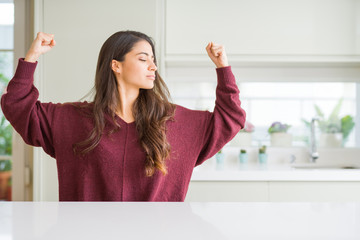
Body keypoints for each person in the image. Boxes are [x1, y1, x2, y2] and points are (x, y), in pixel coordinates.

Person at [1, 31, 246, 201]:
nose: (153, 66)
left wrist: (223, 68)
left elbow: (231, 117)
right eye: (143, 59)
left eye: (153, 60)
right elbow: (17, 106)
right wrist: (31, 58)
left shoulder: (176, 122)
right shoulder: (71, 119)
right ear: (116, 65)